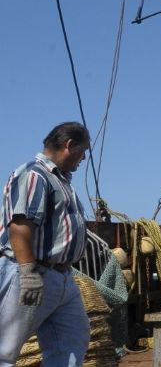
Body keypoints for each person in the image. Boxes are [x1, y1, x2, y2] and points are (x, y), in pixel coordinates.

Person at [0, 122, 91, 367]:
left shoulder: (60, 180)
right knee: (4, 349)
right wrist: (28, 273)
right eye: (83, 152)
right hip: (32, 273)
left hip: (62, 278)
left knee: (72, 343)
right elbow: (20, 226)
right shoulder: (34, 174)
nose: (83, 159)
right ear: (69, 146)